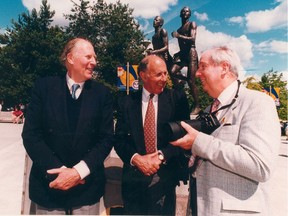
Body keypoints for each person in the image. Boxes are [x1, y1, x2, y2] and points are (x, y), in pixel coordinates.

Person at [170, 46, 281, 215]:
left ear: (224, 67)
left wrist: (199, 142)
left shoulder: (258, 102)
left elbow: (260, 165)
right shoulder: (208, 110)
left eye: (203, 67)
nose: (197, 74)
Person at [22, 38, 114, 215]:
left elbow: (106, 139)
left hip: (86, 191)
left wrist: (78, 173)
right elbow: (31, 136)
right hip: (49, 189)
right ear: (70, 58)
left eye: (95, 57)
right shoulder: (43, 88)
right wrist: (61, 173)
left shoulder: (102, 94)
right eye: (89, 56)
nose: (94, 62)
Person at [114, 55, 190, 215]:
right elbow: (119, 139)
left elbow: (185, 138)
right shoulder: (126, 102)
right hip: (133, 180)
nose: (164, 79)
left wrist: (161, 156)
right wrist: (136, 159)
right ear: (143, 75)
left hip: (164, 178)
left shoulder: (177, 99)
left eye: (165, 74)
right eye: (158, 74)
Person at [171, 6, 200, 115]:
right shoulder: (179, 29)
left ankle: (197, 105)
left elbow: (192, 39)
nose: (184, 12)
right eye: (183, 11)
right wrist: (177, 53)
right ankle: (184, 80)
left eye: (187, 11)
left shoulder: (192, 24)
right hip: (183, 55)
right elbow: (182, 47)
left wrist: (179, 36)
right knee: (173, 71)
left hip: (191, 54)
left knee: (192, 81)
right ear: (180, 14)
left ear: (190, 14)